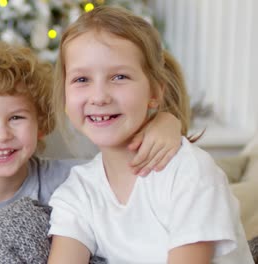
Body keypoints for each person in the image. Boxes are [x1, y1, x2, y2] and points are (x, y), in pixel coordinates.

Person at [0, 40, 182, 264]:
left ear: (41, 125)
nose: (1, 135)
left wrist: (166, 122)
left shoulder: (66, 178)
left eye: (16, 118)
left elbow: (124, 165)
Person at [47, 5, 254, 264]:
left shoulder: (190, 172)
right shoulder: (77, 191)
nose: (99, 96)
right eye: (81, 80)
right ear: (65, 97)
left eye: (119, 76)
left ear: (155, 93)